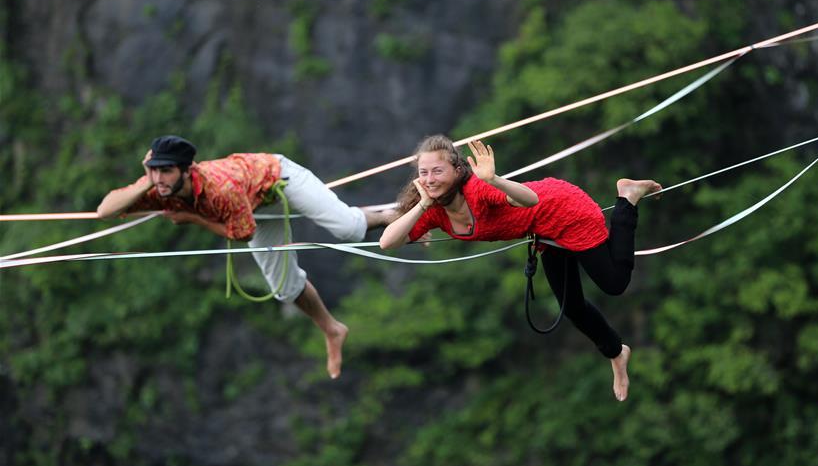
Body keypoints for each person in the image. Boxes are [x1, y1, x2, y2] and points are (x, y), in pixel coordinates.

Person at [380, 135, 661, 401]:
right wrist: (422, 206)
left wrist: (493, 179)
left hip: (563, 209)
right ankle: (616, 352)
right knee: (571, 307)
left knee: (614, 283)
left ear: (456, 169)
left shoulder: (477, 190)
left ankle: (628, 197)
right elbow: (387, 242)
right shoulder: (434, 211)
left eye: (437, 171)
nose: (430, 179)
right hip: (544, 231)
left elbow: (530, 199)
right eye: (424, 172)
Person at [97, 135, 392, 379]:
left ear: (186, 171)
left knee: (349, 229)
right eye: (154, 170)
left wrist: (193, 218)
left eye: (166, 171)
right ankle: (332, 329)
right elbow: (105, 210)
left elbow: (242, 234)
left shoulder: (219, 188)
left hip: (281, 182)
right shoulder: (159, 187)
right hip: (254, 209)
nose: (159, 178)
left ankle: (396, 215)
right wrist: (145, 182)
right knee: (284, 289)